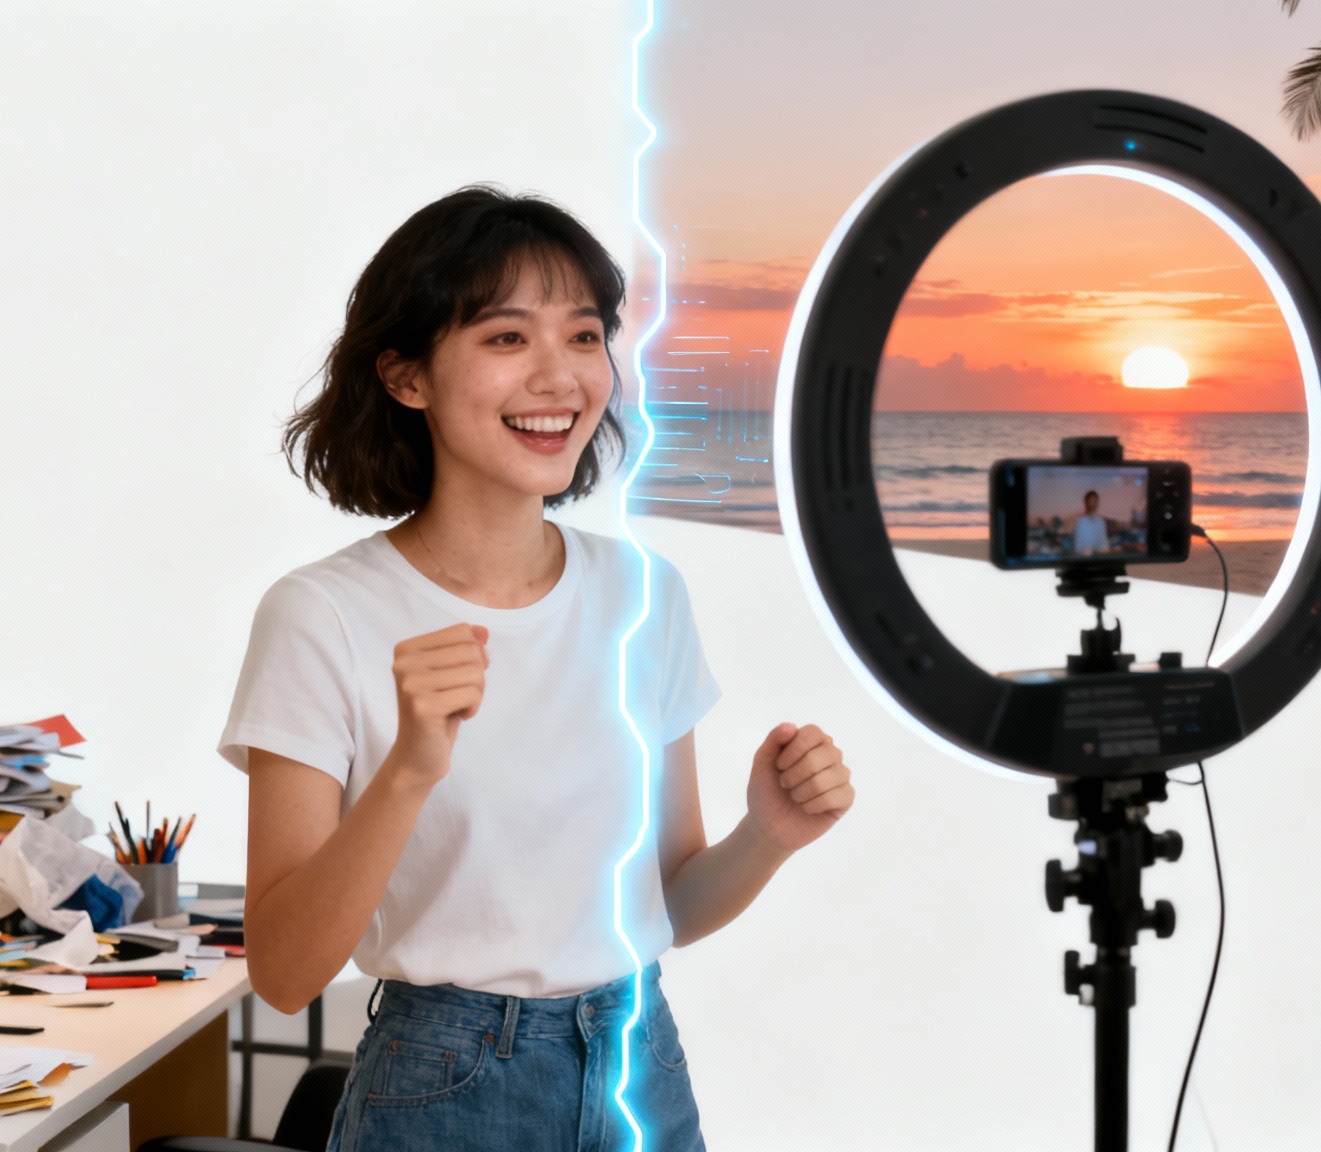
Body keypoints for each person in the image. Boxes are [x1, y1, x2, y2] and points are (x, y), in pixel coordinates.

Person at [221, 186, 856, 1152]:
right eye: (508, 338)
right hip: (444, 1088)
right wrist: (409, 770)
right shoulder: (324, 615)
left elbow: (670, 906)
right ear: (406, 376)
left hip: (641, 1066)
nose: (560, 377)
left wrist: (768, 836)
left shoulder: (642, 595)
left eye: (585, 335)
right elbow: (284, 972)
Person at [1073, 490, 1110, 556]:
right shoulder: (1081, 522)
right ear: (1086, 503)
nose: (1093, 504)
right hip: (1084, 559)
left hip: (1099, 559)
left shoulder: (1100, 522)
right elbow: (1078, 546)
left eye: (1095, 501)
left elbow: (1103, 544)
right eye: (1091, 501)